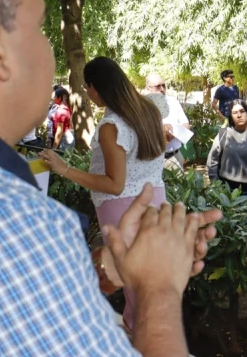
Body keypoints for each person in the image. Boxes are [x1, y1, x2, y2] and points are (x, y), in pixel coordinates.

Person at [0, 0, 219, 357]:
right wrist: (159, 288)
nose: (51, 52)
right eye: (41, 29)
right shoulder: (0, 224)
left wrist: (105, 269)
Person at [41, 56, 168, 332]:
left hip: (123, 208)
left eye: (87, 87)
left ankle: (142, 339)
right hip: (155, 199)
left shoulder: (112, 126)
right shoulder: (149, 110)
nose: (86, 93)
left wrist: (64, 170)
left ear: (95, 87)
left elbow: (114, 184)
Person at [207, 99, 247, 193]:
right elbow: (212, 162)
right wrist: (217, 186)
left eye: (242, 111)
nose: (239, 115)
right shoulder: (223, 134)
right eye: (235, 112)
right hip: (227, 189)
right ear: (231, 116)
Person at [145, 73, 191, 171]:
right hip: (151, 160)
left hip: (174, 157)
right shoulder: (142, 106)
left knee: (179, 186)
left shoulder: (173, 102)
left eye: (163, 86)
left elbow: (186, 125)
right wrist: (161, 133)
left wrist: (171, 134)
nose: (162, 89)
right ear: (148, 88)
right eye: (158, 86)